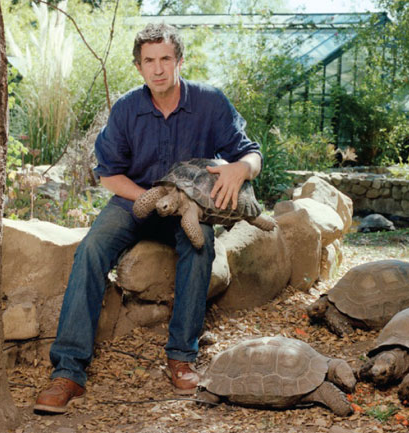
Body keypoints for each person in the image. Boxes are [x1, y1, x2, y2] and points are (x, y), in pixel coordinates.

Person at [34, 23, 262, 414]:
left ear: (179, 61)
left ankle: (181, 356)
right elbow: (109, 175)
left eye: (165, 59)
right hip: (135, 200)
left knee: (201, 244)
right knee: (90, 249)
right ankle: (68, 372)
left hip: (187, 206)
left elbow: (251, 153)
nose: (158, 69)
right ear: (139, 66)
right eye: (149, 61)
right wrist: (149, 198)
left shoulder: (210, 102)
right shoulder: (126, 108)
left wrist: (241, 168)